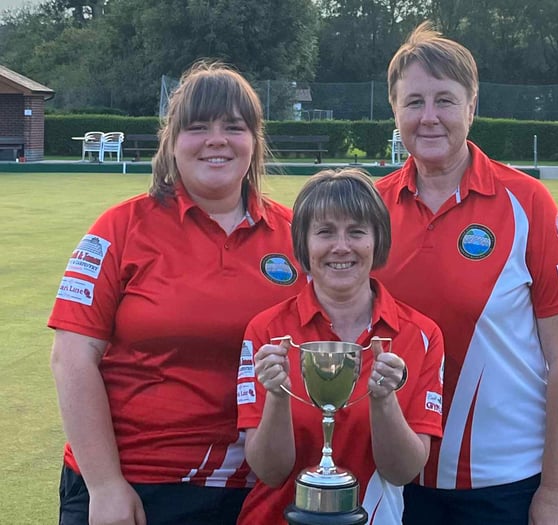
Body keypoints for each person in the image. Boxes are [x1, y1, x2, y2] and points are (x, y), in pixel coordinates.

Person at [48, 61, 304, 525]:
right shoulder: (119, 228)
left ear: (254, 140)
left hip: (251, 491)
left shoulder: (295, 236)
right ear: (171, 140)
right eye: (198, 126)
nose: (216, 139)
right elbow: (71, 357)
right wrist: (105, 486)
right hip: (131, 486)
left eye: (234, 126)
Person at [372, 21, 558, 525]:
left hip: (503, 486)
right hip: (392, 482)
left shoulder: (527, 202)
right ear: (394, 110)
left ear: (472, 107)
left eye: (445, 100)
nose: (429, 118)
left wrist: (557, 491)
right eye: (414, 102)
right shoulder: (370, 209)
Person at [235, 168, 445, 524]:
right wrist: (277, 393)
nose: (342, 247)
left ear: (378, 241)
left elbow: (403, 471)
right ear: (303, 243)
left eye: (357, 231)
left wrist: (384, 400)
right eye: (325, 232)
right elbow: (270, 472)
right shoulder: (267, 331)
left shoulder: (421, 335)